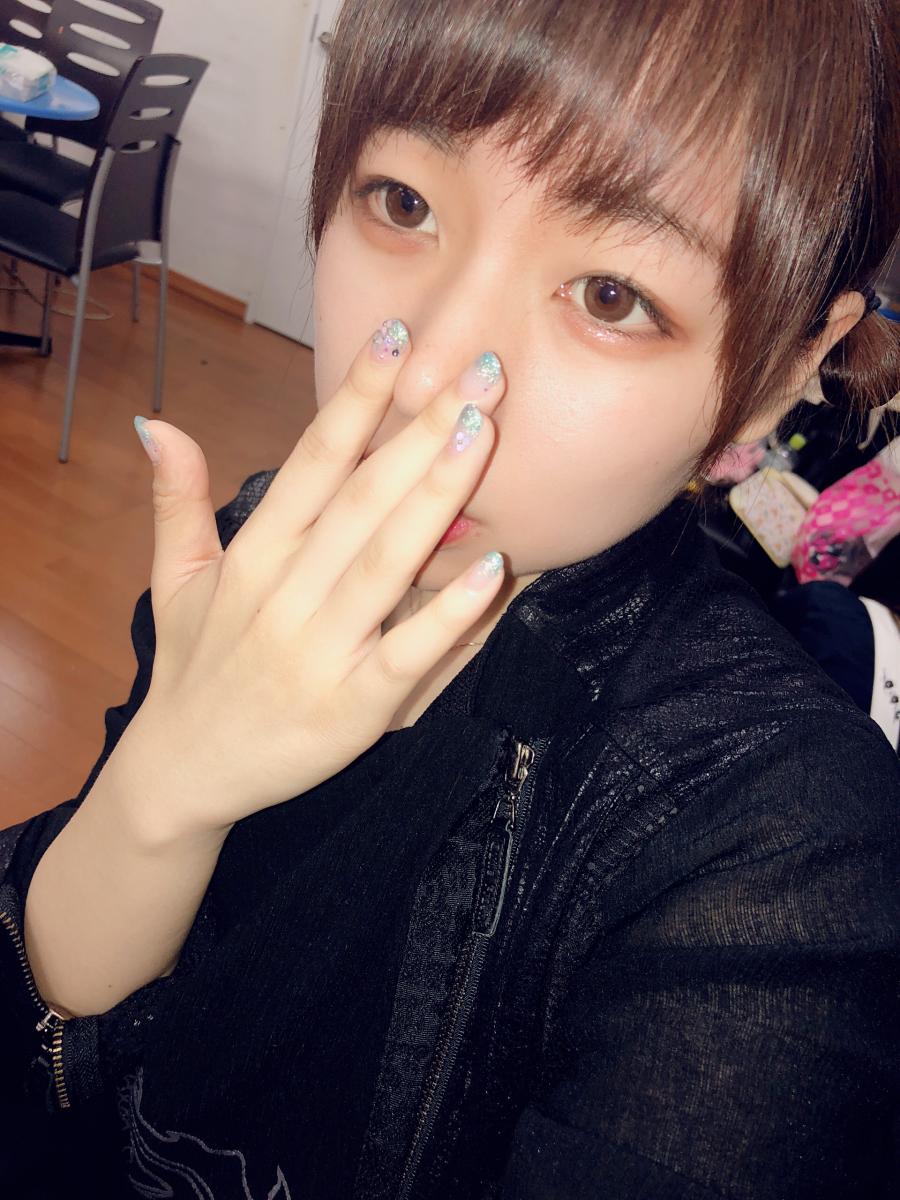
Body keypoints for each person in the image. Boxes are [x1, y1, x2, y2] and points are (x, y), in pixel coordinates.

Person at [2, 1, 899, 1196]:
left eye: (612, 295)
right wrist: (158, 798)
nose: (429, 377)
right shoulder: (260, 550)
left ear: (780, 371)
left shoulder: (783, 848)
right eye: (404, 203)